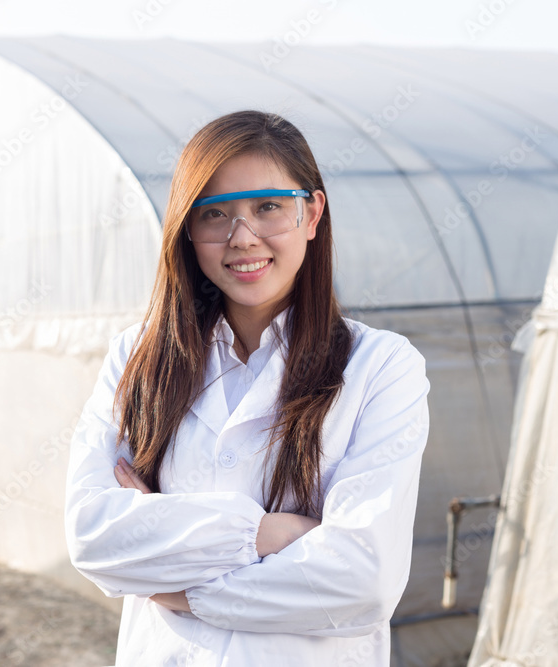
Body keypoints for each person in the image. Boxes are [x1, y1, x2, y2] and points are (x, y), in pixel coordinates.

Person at [64, 110, 431, 666]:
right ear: (187, 229)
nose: (242, 237)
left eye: (267, 207)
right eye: (214, 214)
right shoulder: (137, 359)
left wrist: (184, 588)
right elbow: (93, 535)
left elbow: (363, 576)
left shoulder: (381, 367)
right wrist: (269, 535)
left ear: (312, 213)